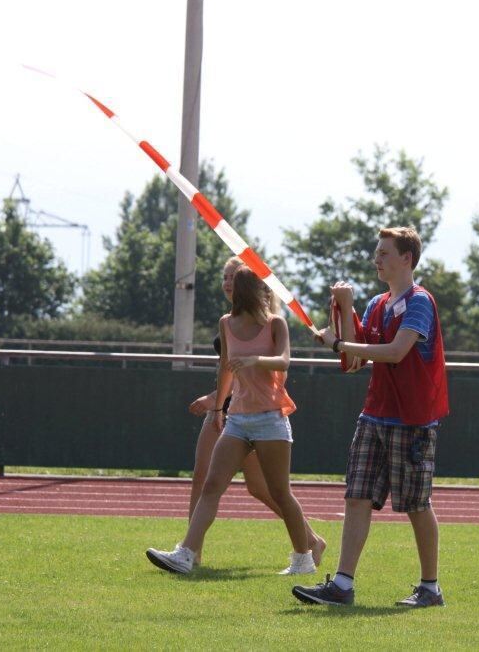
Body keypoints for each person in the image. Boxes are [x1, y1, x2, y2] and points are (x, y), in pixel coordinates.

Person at [292, 226, 449, 608]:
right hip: (374, 415)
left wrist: (339, 342)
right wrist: (344, 308)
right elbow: (355, 360)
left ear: (406, 259)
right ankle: (342, 585)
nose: (376, 259)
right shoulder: (379, 304)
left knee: (416, 504)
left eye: (383, 253)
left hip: (411, 421)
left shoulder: (420, 302)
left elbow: (394, 352)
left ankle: (430, 588)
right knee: (357, 496)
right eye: (377, 252)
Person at [146, 266, 317, 575]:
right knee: (212, 484)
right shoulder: (226, 323)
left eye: (236, 284)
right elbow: (226, 367)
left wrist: (255, 360)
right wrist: (219, 409)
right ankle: (186, 553)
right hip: (238, 418)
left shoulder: (276, 324)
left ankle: (304, 558)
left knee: (279, 492)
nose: (229, 288)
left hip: (270, 418)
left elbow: (284, 361)